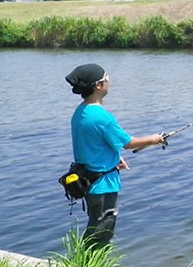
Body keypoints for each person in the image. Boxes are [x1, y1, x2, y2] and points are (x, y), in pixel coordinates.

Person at [65, 63, 164, 249]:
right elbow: (128, 143)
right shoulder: (103, 117)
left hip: (87, 179)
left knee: (95, 224)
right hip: (102, 185)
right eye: (107, 78)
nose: (109, 81)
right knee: (103, 229)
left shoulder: (81, 112)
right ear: (98, 86)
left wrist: (114, 157)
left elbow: (92, 144)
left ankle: (84, 266)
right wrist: (153, 139)